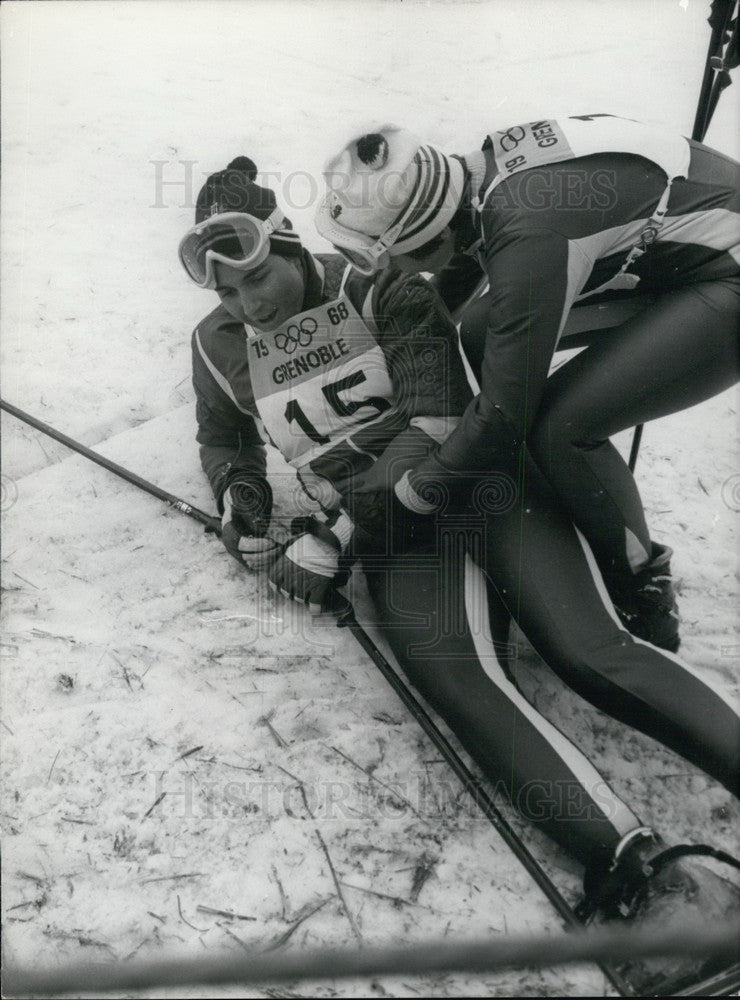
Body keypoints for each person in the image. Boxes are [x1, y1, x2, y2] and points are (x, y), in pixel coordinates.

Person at [180, 156, 739, 992]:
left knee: (585, 650)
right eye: (227, 293)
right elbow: (226, 439)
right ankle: (651, 872)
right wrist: (245, 504)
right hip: (394, 535)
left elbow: (437, 410)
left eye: (259, 275)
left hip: (475, 479)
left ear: (290, 245)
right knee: (457, 677)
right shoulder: (216, 344)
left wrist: (333, 529)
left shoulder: (378, 284)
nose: (250, 303)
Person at [316, 116, 740, 654]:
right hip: (674, 245)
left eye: (372, 254)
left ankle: (640, 585)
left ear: (424, 237)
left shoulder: (527, 230)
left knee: (562, 427)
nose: (381, 268)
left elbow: (504, 415)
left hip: (723, 273)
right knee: (477, 333)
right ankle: (556, 517)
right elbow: (458, 279)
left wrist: (407, 496)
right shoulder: (471, 180)